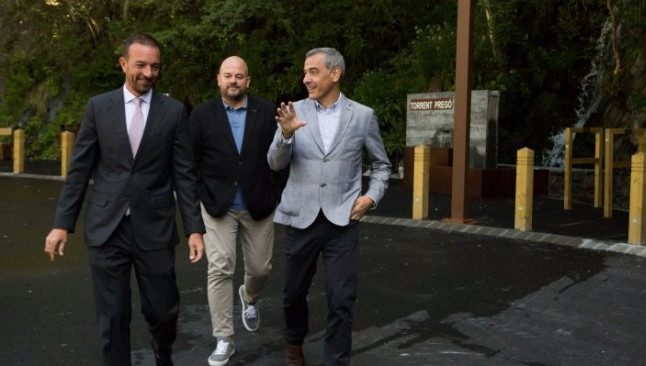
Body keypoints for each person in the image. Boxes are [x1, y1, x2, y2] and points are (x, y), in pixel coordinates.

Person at [43, 33, 205, 366]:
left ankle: (164, 353)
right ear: (123, 64)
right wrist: (62, 224)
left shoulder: (173, 112)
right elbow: (79, 171)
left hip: (155, 228)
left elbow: (185, 175)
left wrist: (194, 229)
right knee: (113, 316)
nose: (148, 73)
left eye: (155, 67)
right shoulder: (98, 108)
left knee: (163, 312)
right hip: (107, 228)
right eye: (140, 65)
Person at [267, 47, 391, 366]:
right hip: (300, 218)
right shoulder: (293, 111)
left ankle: (336, 361)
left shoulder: (362, 116)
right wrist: (286, 135)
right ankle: (294, 342)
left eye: (313, 71)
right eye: (305, 72)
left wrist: (371, 196)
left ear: (334, 74)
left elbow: (381, 165)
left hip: (342, 221)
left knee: (341, 299)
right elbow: (274, 162)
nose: (305, 78)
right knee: (292, 294)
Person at [188, 56, 288, 366]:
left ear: (248, 81)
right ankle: (224, 339)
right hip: (218, 206)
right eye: (228, 75)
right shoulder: (202, 115)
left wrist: (276, 192)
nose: (234, 81)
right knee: (220, 267)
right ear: (218, 79)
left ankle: (250, 298)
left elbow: (280, 154)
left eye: (240, 76)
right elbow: (191, 163)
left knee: (260, 269)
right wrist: (197, 205)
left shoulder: (267, 110)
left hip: (259, 203)